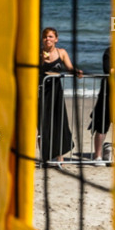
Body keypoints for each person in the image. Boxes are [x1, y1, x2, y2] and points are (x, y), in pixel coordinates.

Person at [39, 27, 81, 166]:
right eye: (45, 37)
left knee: (59, 122)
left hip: (56, 91)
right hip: (41, 92)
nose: (47, 39)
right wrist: (42, 60)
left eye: (50, 37)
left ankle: (59, 158)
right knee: (43, 124)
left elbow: (69, 68)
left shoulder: (61, 52)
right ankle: (44, 158)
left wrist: (76, 72)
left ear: (56, 39)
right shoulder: (38, 53)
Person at [90, 46, 112, 165]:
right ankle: (97, 156)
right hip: (108, 93)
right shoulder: (110, 51)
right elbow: (108, 70)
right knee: (102, 123)